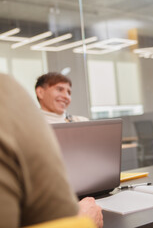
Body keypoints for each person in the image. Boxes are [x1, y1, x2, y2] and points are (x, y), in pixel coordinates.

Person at [0, 74, 103, 227]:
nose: (65, 96)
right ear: (40, 92)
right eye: (59, 89)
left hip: (89, 189)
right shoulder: (26, 124)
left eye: (69, 92)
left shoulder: (81, 121)